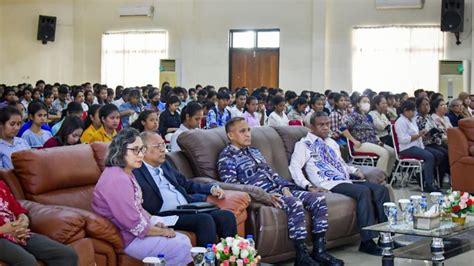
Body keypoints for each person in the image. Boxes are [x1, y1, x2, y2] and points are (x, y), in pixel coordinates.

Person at [217, 117, 343, 266]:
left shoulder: (254, 151)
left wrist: (285, 187)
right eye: (242, 131)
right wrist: (264, 196)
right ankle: (301, 256)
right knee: (295, 203)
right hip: (265, 197)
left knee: (318, 199)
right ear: (230, 135)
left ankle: (320, 251)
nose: (248, 134)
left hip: (279, 190)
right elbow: (233, 186)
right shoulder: (226, 157)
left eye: (249, 130)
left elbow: (272, 174)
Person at [289, 111, 390, 256]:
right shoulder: (304, 144)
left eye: (327, 124)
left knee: (381, 190)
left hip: (344, 179)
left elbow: (341, 164)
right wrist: (307, 185)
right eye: (321, 125)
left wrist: (355, 169)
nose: (325, 128)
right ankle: (367, 242)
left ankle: (385, 238)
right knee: (363, 192)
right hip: (328, 183)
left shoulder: (331, 143)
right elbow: (294, 167)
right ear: (311, 126)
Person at [92, 128, 192, 264]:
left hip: (134, 234)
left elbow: (137, 208)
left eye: (142, 150)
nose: (140, 155)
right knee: (181, 244)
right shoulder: (117, 179)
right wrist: (162, 232)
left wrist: (155, 222)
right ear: (120, 150)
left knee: (181, 240)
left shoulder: (125, 172)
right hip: (128, 238)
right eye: (135, 150)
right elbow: (134, 224)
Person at [134, 131, 237, 247]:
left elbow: (186, 183)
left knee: (226, 216)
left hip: (185, 209)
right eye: (157, 146)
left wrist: (211, 188)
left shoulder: (165, 164)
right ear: (143, 150)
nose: (163, 149)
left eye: (163, 145)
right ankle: (206, 261)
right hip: (164, 215)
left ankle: (229, 260)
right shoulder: (136, 171)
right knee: (204, 220)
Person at [0, 180, 78, 265]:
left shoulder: (1, 185)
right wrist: (3, 230)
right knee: (27, 262)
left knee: (66, 254)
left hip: (19, 233)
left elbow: (17, 209)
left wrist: (23, 219)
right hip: (2, 237)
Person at [342, 95, 396, 178]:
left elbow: (373, 132)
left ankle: (386, 176)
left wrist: (378, 141)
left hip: (373, 142)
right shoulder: (354, 116)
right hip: (361, 144)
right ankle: (378, 179)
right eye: (364, 102)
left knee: (392, 152)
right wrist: (354, 141)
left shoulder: (368, 117)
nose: (367, 104)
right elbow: (343, 128)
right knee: (384, 153)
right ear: (358, 104)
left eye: (368, 102)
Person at [395, 101, 439, 192]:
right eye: (412, 111)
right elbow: (403, 140)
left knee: (437, 154)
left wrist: (423, 134)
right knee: (429, 156)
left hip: (417, 145)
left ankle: (423, 176)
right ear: (405, 110)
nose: (414, 113)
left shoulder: (411, 120)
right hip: (406, 148)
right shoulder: (400, 122)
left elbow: (416, 134)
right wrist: (418, 135)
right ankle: (428, 184)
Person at [415, 97, 449, 185]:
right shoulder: (417, 119)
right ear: (418, 107)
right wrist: (428, 134)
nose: (426, 107)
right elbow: (420, 135)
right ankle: (424, 174)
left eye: (427, 105)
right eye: (423, 105)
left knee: (447, 153)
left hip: (433, 142)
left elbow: (436, 129)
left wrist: (438, 130)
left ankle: (439, 180)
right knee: (439, 155)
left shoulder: (429, 117)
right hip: (424, 144)